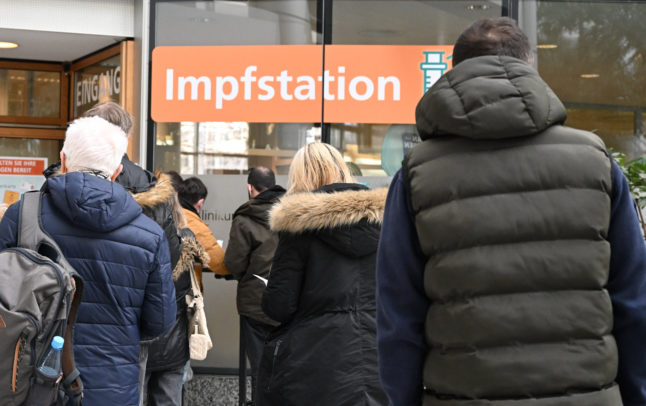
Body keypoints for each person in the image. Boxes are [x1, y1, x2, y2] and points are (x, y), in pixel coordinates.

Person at [376, 17, 646, 406]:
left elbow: (399, 315)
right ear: (528, 68)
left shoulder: (418, 174)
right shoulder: (595, 160)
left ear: (455, 72)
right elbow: (633, 301)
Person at [0, 116, 177, 406]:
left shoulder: (22, 215)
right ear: (118, 170)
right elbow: (159, 322)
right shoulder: (150, 235)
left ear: (63, 160)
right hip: (113, 387)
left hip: (28, 383)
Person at [256, 142, 388, 406]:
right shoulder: (388, 223)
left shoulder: (298, 227)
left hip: (316, 365)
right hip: (381, 360)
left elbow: (279, 306)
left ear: (301, 178)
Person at [142, 175, 210, 406]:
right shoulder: (187, 238)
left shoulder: (137, 240)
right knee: (169, 401)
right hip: (175, 340)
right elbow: (208, 259)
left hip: (141, 341)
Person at [223, 166, 285, 393]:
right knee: (285, 365)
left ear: (250, 187)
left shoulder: (245, 218)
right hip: (287, 301)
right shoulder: (291, 213)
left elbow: (234, 263)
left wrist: (244, 275)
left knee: (260, 366)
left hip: (255, 304)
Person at [179, 176, 228, 288]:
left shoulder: (168, 215)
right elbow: (218, 262)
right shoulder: (194, 225)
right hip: (186, 291)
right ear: (200, 203)